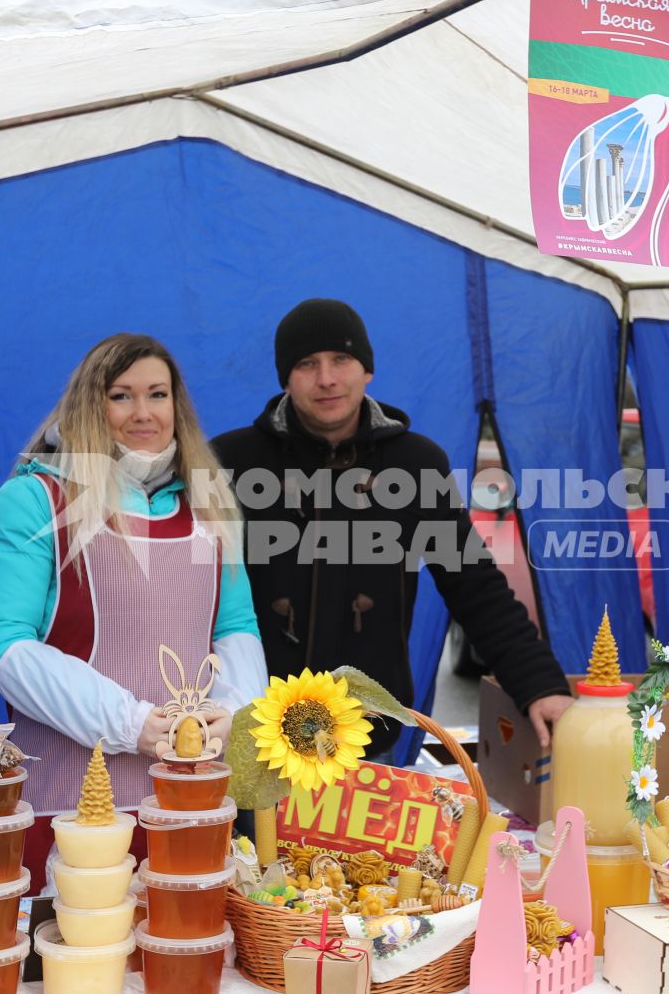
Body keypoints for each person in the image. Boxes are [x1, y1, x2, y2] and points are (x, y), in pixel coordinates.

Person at [211, 298, 573, 757]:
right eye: (307, 363)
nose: (327, 378)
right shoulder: (229, 463)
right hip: (253, 736)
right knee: (248, 835)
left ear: (367, 370)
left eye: (341, 359)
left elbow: (475, 587)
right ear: (286, 378)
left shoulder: (415, 464)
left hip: (366, 737)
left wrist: (539, 684)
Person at [0, 334, 267, 815]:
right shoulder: (36, 500)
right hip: (68, 807)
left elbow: (234, 627)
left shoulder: (208, 505)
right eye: (121, 396)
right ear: (91, 404)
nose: (143, 413)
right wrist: (131, 723)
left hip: (191, 804)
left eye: (158, 394)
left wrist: (233, 713)